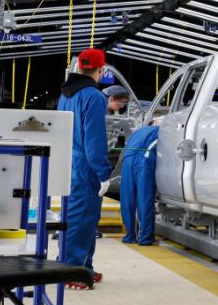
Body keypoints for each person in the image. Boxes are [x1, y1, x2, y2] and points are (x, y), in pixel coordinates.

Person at [58, 48, 113, 290]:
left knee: (77, 217)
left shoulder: (65, 95)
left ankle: (83, 266)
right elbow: (95, 141)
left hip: (68, 163)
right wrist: (103, 172)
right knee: (83, 218)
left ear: (80, 67)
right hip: (85, 168)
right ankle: (73, 270)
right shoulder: (94, 97)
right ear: (101, 70)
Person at [120, 125, 159, 246]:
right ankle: (145, 237)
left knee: (127, 198)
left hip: (127, 159)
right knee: (144, 198)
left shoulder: (139, 131)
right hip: (143, 159)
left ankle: (130, 235)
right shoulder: (162, 130)